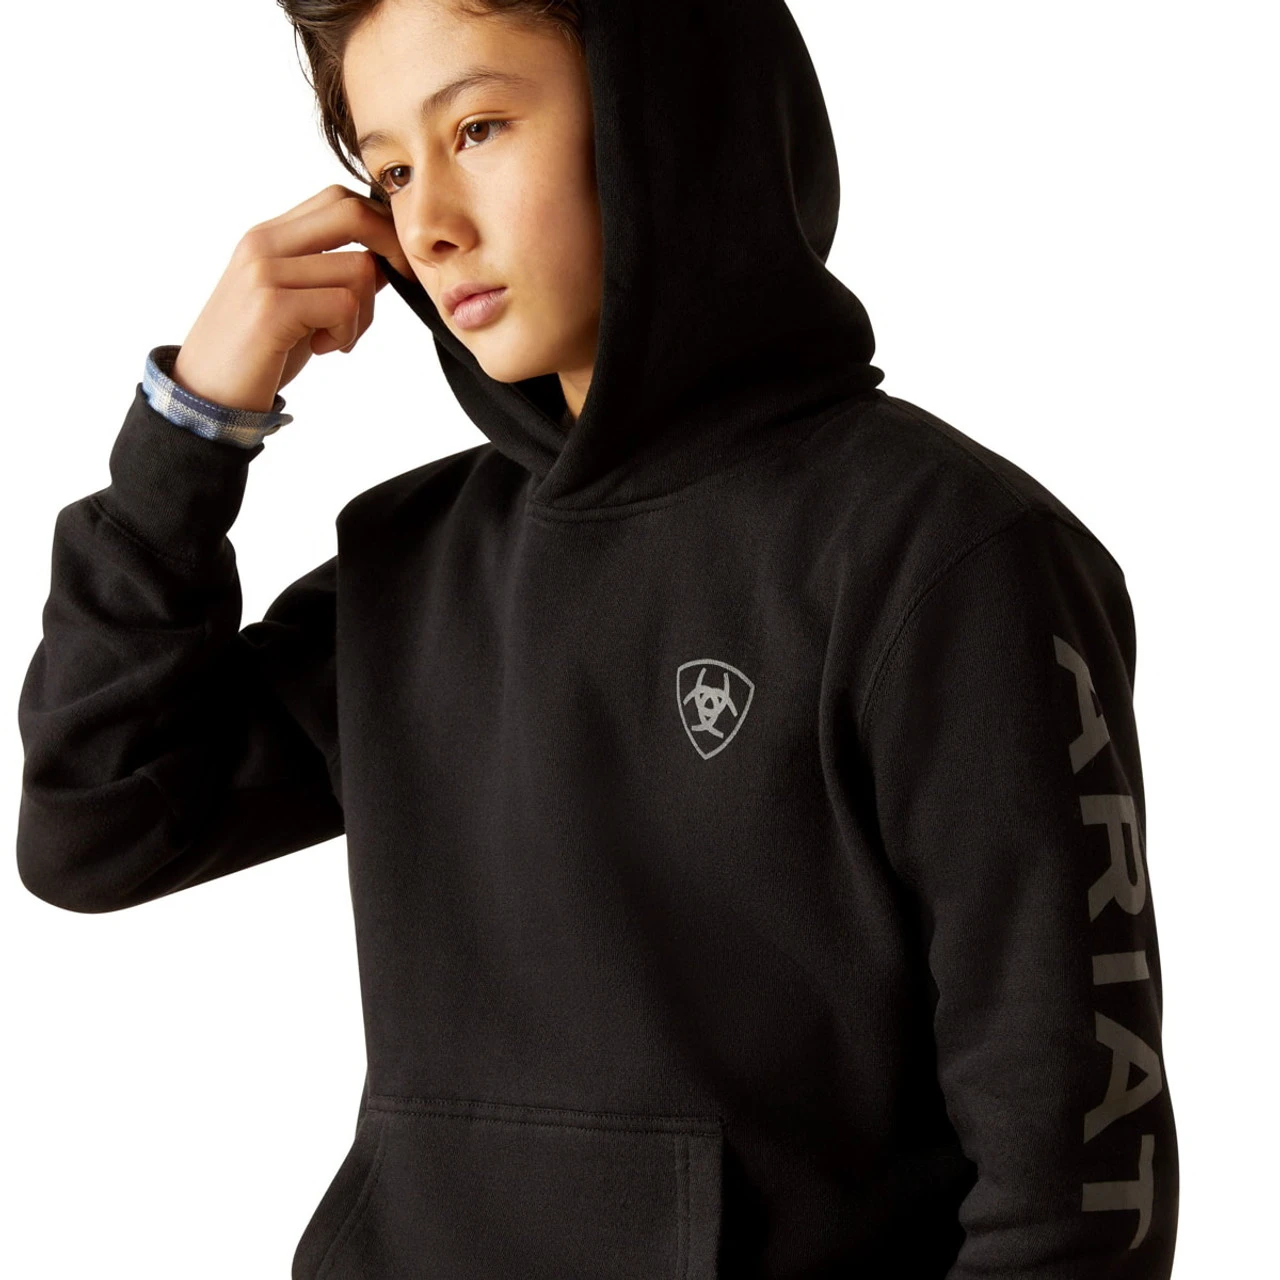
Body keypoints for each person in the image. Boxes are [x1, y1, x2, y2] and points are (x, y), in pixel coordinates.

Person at [14, 0, 1179, 1275]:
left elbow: (1072, 1184)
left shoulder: (944, 555)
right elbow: (96, 824)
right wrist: (191, 428)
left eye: (478, 128)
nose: (427, 222)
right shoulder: (412, 561)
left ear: (663, 118)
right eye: (390, 171)